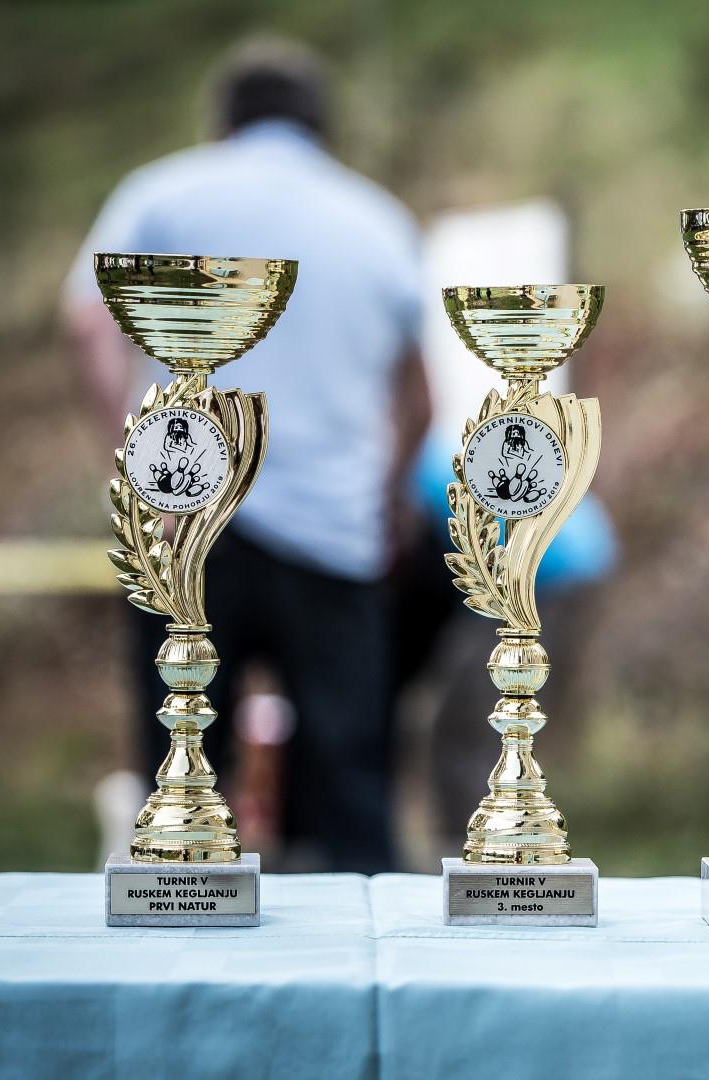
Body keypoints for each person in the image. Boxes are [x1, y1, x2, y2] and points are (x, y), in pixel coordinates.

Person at [62, 38, 430, 873]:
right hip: (333, 533)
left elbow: (88, 323)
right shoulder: (379, 218)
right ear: (322, 126)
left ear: (222, 122)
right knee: (349, 794)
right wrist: (384, 499)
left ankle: (178, 930)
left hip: (186, 526)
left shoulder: (159, 193)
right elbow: (421, 399)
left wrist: (135, 471)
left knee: (179, 788)